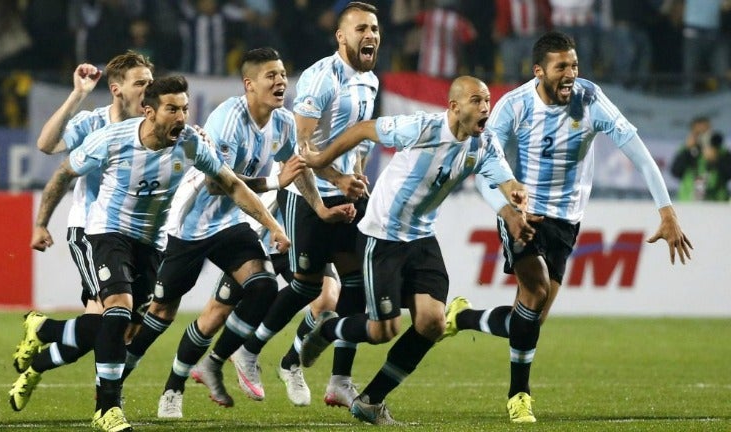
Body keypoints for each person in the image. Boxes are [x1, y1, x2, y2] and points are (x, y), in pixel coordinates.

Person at [442, 31, 693, 423]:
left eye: (574, 65)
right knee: (536, 288)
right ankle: (519, 395)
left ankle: (461, 317)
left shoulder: (589, 99)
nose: (571, 73)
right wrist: (507, 209)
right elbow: (481, 170)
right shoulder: (514, 106)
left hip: (567, 222)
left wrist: (667, 211)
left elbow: (639, 153)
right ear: (539, 70)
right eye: (562, 66)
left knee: (529, 320)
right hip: (524, 216)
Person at [29, 75, 288, 432]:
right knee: (117, 309)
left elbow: (230, 183)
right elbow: (63, 173)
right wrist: (42, 224)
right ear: (148, 112)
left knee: (130, 331)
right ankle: (107, 407)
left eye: (184, 108)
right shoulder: (113, 139)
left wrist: (273, 225)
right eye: (172, 109)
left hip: (152, 243)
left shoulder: (190, 143)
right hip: (109, 232)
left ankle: (43, 330)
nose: (181, 116)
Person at [114, 48, 352, 418]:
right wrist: (275, 182)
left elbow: (299, 168)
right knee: (160, 312)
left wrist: (320, 207)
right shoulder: (227, 120)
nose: (280, 82)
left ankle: (218, 365)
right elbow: (215, 186)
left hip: (232, 224)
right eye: (271, 75)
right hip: (190, 225)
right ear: (249, 84)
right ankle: (116, 382)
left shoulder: (284, 123)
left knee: (262, 285)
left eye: (283, 74)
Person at [298, 75, 534, 425]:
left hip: (421, 237)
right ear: (454, 107)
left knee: (432, 323)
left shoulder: (483, 144)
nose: (486, 107)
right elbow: (364, 128)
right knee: (383, 331)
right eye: (476, 100)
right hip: (383, 236)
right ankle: (328, 330)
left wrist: (514, 197)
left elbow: (504, 179)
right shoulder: (421, 128)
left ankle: (370, 401)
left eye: (487, 101)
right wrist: (319, 160)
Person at [221, 1, 381, 409]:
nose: (372, 36)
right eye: (362, 28)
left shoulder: (371, 82)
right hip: (307, 197)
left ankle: (333, 377)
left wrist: (356, 177)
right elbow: (301, 148)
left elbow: (358, 139)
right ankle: (250, 351)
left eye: (376, 29)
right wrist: (338, 178)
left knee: (356, 286)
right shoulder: (320, 79)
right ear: (341, 36)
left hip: (348, 195)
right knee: (305, 285)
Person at [9, 52, 154, 413]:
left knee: (113, 328)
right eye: (141, 83)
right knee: (114, 321)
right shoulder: (93, 123)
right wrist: (77, 94)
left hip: (140, 237)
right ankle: (107, 408)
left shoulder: (155, 125)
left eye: (151, 83)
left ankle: (41, 348)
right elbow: (46, 145)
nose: (148, 89)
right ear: (117, 89)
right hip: (94, 232)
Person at [671, 117, 731, 201]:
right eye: (699, 133)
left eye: (706, 132)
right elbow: (675, 172)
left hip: (717, 202)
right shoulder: (685, 150)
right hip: (688, 201)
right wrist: (687, 151)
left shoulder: (721, 151)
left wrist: (717, 159)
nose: (703, 136)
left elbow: (729, 174)